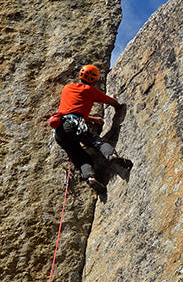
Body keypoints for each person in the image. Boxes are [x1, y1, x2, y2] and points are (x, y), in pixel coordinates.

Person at [50, 64, 132, 200]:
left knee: (81, 158)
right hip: (75, 123)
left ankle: (90, 178)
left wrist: (93, 119)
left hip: (60, 130)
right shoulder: (90, 90)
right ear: (94, 80)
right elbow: (111, 102)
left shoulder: (67, 88)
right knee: (97, 142)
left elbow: (71, 109)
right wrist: (117, 104)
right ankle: (111, 155)